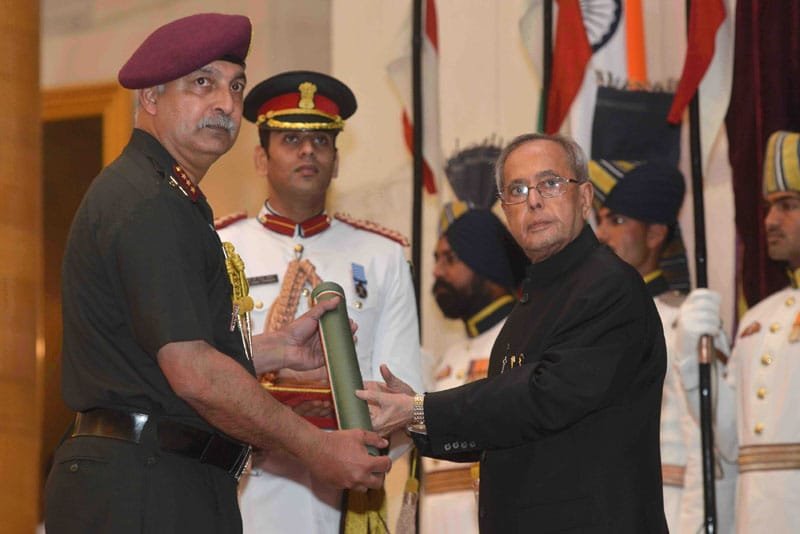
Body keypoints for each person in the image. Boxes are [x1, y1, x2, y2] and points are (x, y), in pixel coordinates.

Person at [44, 15, 389, 534]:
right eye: (202, 83)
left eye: (235, 86)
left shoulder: (165, 195)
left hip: (155, 477)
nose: (226, 104)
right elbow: (194, 373)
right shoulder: (149, 202)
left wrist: (270, 351)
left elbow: (153, 351)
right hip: (145, 485)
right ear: (151, 96)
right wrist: (318, 448)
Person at [358, 132, 669, 533]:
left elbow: (543, 397)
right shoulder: (533, 301)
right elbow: (505, 426)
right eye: (517, 191)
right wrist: (413, 419)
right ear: (505, 211)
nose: (533, 201)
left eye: (550, 183)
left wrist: (422, 410)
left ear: (585, 197)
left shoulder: (608, 285)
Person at [216, 70, 423, 534]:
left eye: (322, 141)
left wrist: (362, 454)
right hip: (245, 492)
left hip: (346, 492)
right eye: (291, 139)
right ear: (261, 157)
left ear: (337, 160)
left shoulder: (383, 255)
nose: (308, 151)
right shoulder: (221, 246)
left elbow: (403, 387)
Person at [590, 160, 736, 533]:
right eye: (600, 221)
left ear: (655, 234)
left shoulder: (685, 321)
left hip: (665, 510)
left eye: (616, 221)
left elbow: (703, 444)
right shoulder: (588, 323)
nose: (601, 234)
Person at [677, 129, 800, 533]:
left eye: (788, 205)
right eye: (769, 207)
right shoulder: (756, 321)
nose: (770, 221)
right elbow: (730, 445)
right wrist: (700, 366)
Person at [421, 203, 526, 534]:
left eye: (449, 259)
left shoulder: (524, 341)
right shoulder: (448, 359)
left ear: (487, 264)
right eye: (437, 259)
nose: (437, 272)